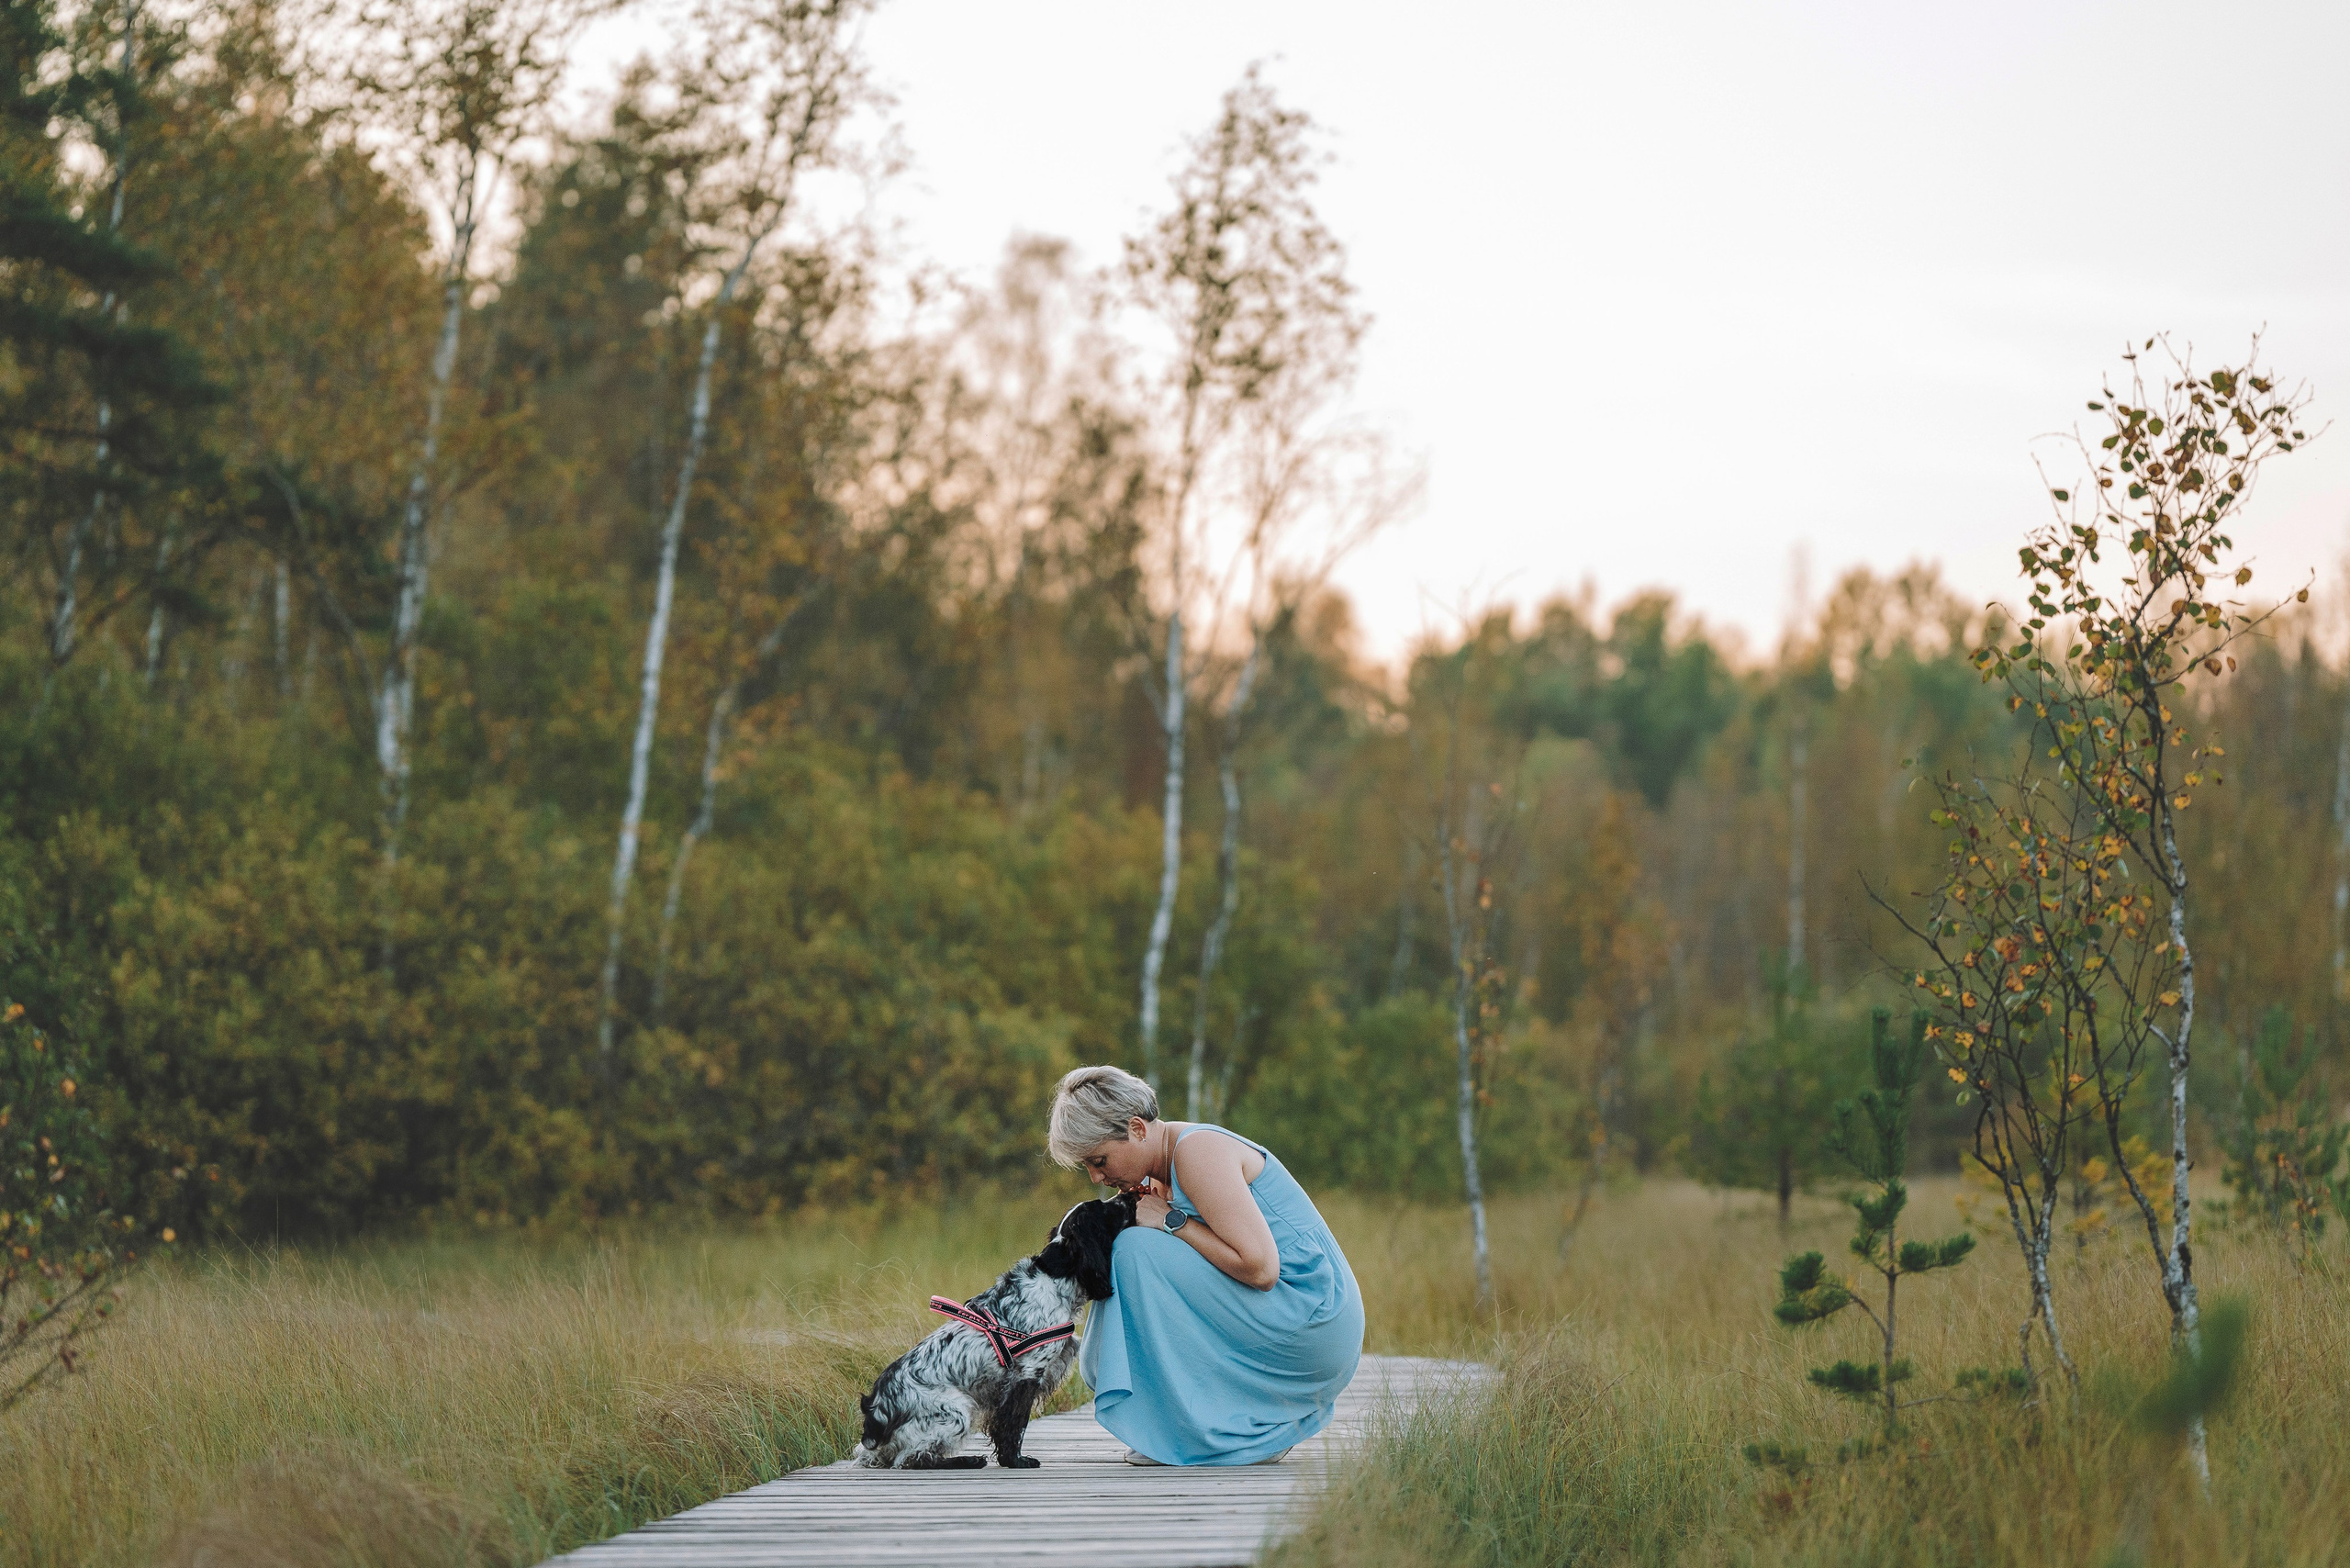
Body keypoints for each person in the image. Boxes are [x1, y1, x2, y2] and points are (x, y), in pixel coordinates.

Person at [1047, 1064, 1364, 1466]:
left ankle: (1242, 1432)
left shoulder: (1197, 1152)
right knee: (1138, 1248)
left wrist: (1172, 1221)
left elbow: (1262, 1270)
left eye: (1100, 1159)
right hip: (1305, 1319)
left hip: (1313, 1320)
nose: (1096, 1176)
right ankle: (1210, 1427)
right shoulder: (1168, 1165)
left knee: (1133, 1250)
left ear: (1138, 1129)